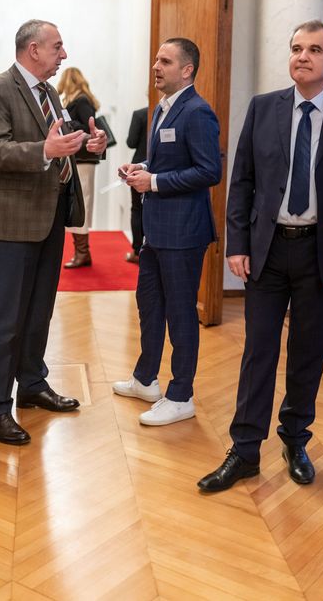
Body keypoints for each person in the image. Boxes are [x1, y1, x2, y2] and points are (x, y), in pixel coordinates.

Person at [198, 20, 323, 492]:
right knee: (258, 351)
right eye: (296, 48)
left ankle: (296, 439)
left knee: (308, 351)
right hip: (269, 249)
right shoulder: (263, 108)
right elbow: (242, 181)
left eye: (314, 50)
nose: (302, 56)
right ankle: (244, 450)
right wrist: (237, 244)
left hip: (322, 253)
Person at [0, 20, 107, 445]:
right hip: (12, 223)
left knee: (38, 312)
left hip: (49, 219)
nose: (63, 55)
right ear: (33, 49)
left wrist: (87, 145)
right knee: (7, 320)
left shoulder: (49, 92)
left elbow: (58, 141)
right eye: (57, 47)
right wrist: (45, 150)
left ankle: (31, 384)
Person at [113, 38, 221, 426]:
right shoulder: (162, 108)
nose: (156, 66)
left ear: (187, 70)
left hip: (184, 232)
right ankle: (145, 379)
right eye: (156, 59)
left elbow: (209, 171)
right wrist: (140, 168)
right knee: (149, 305)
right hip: (156, 230)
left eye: (166, 61)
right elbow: (168, 160)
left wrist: (154, 182)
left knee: (180, 313)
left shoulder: (197, 111)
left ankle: (181, 395)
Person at [57, 67, 102, 268]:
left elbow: (88, 127)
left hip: (84, 159)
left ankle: (83, 252)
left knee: (82, 201)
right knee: (78, 200)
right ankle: (81, 251)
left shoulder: (81, 100)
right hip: (77, 158)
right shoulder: (75, 99)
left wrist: (67, 124)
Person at [125, 106, 148, 264]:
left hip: (139, 165)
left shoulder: (140, 114)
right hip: (158, 167)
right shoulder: (161, 112)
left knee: (137, 209)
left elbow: (131, 142)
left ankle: (138, 251)